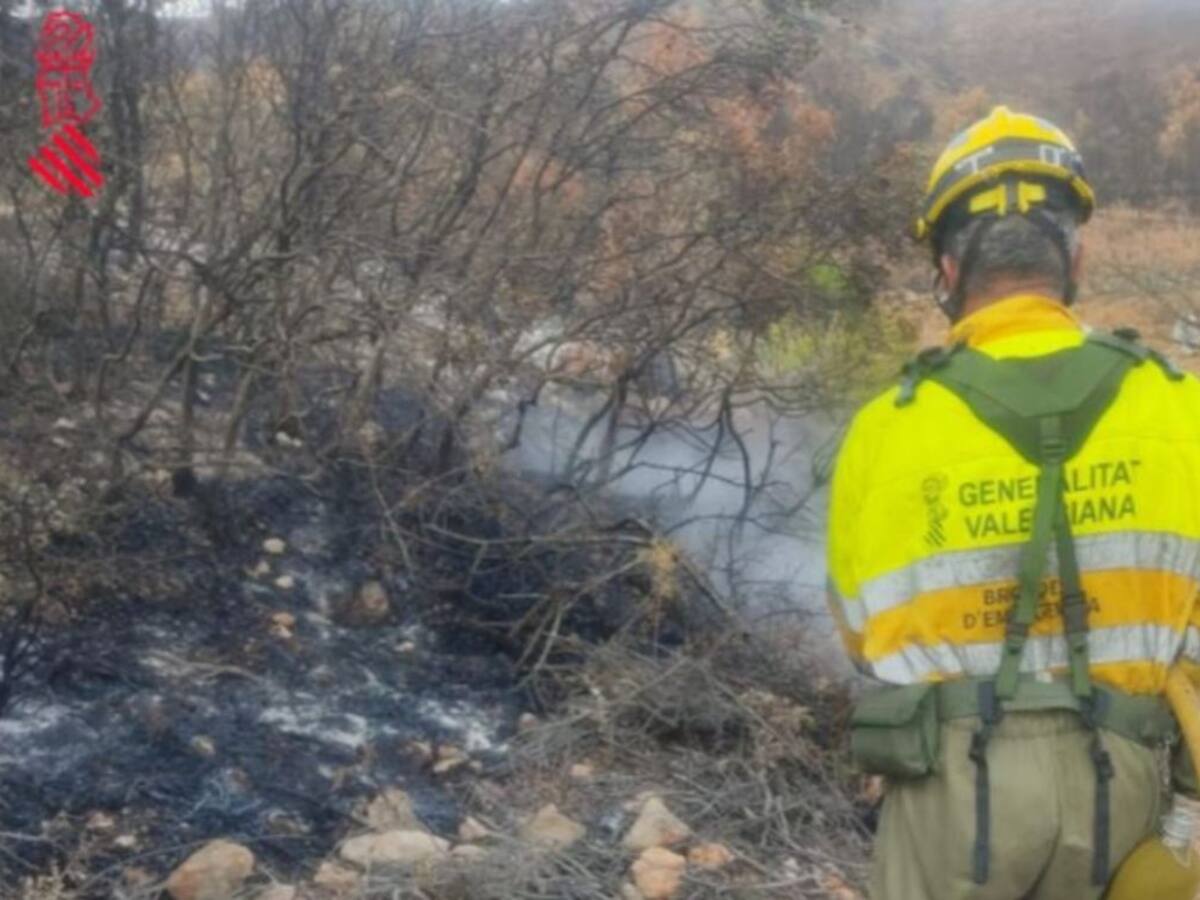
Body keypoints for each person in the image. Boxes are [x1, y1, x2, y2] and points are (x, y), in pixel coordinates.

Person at [825, 105, 1200, 899]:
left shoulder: (883, 429)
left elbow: (861, 639)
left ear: (949, 272)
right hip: (1126, 788)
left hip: (949, 795)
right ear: (1077, 255)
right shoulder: (1179, 406)